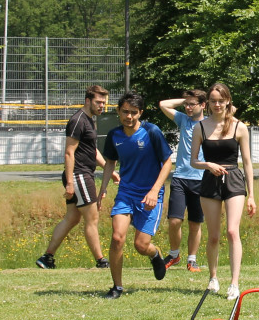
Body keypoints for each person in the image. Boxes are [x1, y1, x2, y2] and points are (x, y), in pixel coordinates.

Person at [97, 91, 174, 299]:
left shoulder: (151, 132)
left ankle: (155, 254)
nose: (128, 116)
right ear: (118, 112)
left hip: (151, 195)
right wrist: (103, 188)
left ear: (140, 112)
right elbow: (110, 162)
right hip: (126, 193)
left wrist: (154, 190)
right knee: (117, 238)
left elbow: (167, 163)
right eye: (124, 112)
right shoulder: (114, 135)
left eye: (133, 112)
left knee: (141, 245)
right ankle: (117, 287)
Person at [189, 82, 257, 299]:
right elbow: (193, 161)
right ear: (207, 103)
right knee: (214, 236)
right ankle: (213, 277)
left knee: (232, 231)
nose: (217, 104)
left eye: (221, 100)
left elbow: (247, 162)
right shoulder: (200, 127)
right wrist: (208, 165)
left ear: (228, 101)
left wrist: (252, 195)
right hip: (210, 180)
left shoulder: (239, 127)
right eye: (213, 101)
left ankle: (234, 283)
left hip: (234, 180)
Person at [36, 85, 113, 271]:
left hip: (83, 174)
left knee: (72, 218)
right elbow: (69, 153)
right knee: (92, 218)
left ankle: (47, 258)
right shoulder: (78, 120)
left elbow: (91, 150)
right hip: (79, 175)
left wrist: (108, 168)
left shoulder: (89, 120)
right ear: (88, 101)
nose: (102, 106)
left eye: (104, 102)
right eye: (98, 102)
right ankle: (101, 260)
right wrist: (70, 183)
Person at [158, 89, 209, 273]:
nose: (188, 108)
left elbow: (231, 110)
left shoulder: (209, 124)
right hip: (180, 177)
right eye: (186, 104)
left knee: (195, 223)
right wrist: (186, 100)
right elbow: (163, 104)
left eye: (192, 104)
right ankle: (174, 254)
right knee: (174, 220)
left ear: (203, 105)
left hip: (201, 179)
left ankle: (192, 260)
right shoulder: (183, 119)